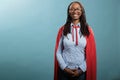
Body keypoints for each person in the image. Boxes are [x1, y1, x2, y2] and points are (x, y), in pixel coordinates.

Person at [54, 1, 96, 80]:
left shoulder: (88, 30)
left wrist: (80, 70)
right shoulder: (63, 29)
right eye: (72, 9)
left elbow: (91, 55)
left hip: (81, 72)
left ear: (81, 11)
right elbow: (58, 52)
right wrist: (65, 68)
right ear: (68, 12)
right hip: (64, 72)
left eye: (77, 9)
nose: (74, 11)